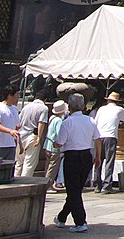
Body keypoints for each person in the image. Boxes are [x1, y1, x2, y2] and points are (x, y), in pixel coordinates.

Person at [53, 93, 102, 233]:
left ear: (70, 106)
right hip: (86, 156)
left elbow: (59, 142)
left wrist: (54, 144)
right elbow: (97, 139)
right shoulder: (90, 121)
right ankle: (62, 218)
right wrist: (98, 156)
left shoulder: (67, 122)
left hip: (72, 157)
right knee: (76, 190)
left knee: (73, 190)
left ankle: (80, 221)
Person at [92, 91, 124, 193]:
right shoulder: (119, 109)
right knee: (109, 161)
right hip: (110, 136)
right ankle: (107, 185)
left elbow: (96, 122)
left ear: (108, 100)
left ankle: (97, 185)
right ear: (117, 101)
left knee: (98, 159)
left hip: (99, 136)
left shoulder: (101, 109)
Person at [15, 88, 50, 177]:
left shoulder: (26, 107)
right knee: (29, 163)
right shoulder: (44, 108)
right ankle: (24, 184)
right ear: (45, 99)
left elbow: (18, 121)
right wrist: (39, 137)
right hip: (32, 136)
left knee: (18, 163)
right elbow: (41, 123)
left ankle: (15, 181)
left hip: (21, 135)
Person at [0, 85, 21, 162]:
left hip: (11, 146)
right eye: (17, 95)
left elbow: (17, 128)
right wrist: (9, 131)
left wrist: (20, 144)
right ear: (10, 95)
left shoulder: (15, 109)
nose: (18, 97)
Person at [44, 99, 68, 192]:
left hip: (47, 145)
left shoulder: (52, 118)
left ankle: (46, 183)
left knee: (48, 165)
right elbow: (59, 133)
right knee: (52, 167)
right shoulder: (59, 120)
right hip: (54, 147)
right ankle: (48, 185)